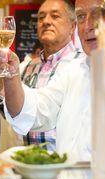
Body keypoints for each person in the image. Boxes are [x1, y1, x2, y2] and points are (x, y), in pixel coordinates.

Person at [0, 0, 103, 162]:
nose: (87, 26)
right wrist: (11, 74)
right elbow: (36, 110)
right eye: (81, 16)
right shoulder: (74, 71)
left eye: (97, 14)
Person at [18, 0, 78, 152]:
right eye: (41, 17)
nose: (46, 22)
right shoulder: (27, 68)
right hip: (29, 163)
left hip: (67, 166)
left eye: (55, 16)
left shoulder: (82, 65)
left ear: (72, 26)